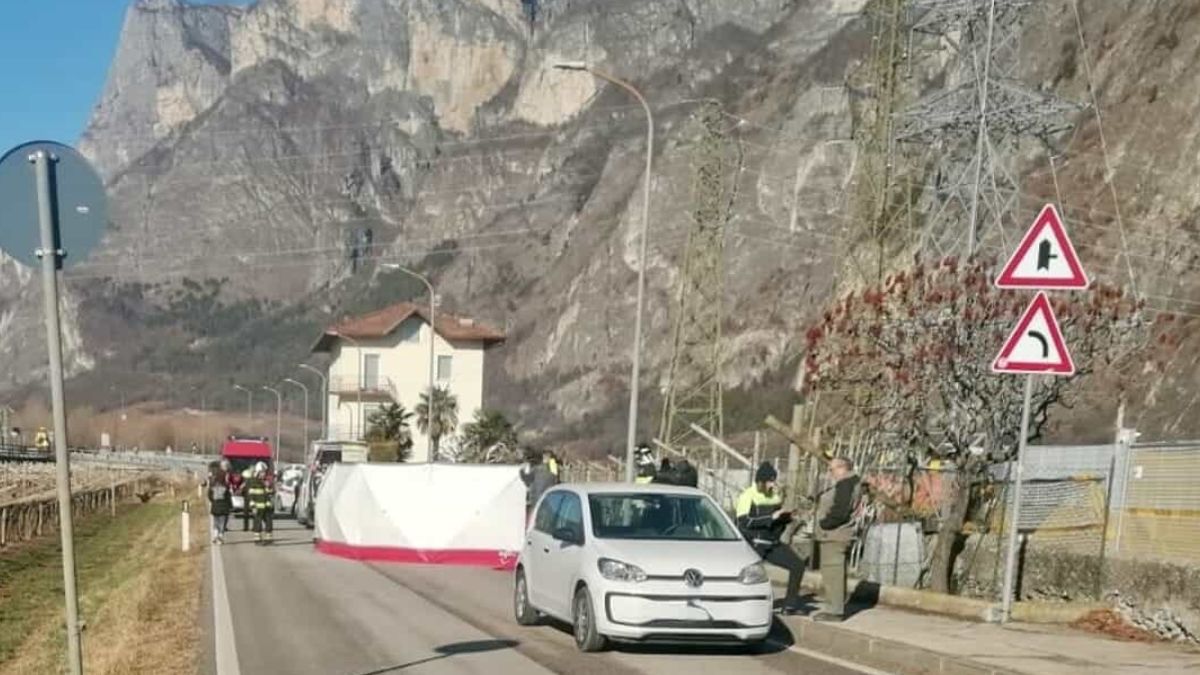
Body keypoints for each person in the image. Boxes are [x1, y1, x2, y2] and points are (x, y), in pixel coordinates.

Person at [736, 462, 805, 614]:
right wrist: (769, 517)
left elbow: (776, 521)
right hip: (755, 544)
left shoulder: (774, 496)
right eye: (770, 481)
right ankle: (742, 604)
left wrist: (788, 517)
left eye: (774, 481)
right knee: (746, 574)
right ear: (761, 481)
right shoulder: (747, 496)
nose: (773, 484)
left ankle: (790, 605)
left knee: (798, 566)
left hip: (772, 543)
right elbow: (743, 522)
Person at [813, 457, 863, 622]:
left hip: (834, 534)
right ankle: (835, 606)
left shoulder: (845, 484)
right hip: (838, 534)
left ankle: (834, 610)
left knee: (832, 572)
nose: (830, 473)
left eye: (832, 469)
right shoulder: (853, 483)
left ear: (843, 468)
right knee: (835, 572)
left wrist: (825, 524)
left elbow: (840, 511)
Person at [519, 447, 558, 522]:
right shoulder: (554, 470)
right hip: (549, 500)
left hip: (536, 499)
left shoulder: (537, 469)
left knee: (535, 520)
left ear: (543, 457)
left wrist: (521, 471)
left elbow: (527, 481)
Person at [246, 462, 275, 544]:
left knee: (269, 523)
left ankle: (268, 538)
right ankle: (257, 539)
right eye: (262, 472)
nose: (264, 474)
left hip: (267, 506)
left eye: (264, 472)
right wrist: (253, 506)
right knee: (257, 524)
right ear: (258, 472)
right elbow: (251, 495)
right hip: (257, 507)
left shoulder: (265, 482)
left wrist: (269, 487)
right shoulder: (253, 482)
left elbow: (270, 493)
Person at [206, 464, 233, 544]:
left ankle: (215, 536)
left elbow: (209, 496)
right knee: (222, 522)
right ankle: (220, 537)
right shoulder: (226, 488)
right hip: (224, 507)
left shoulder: (213, 487)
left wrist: (213, 501)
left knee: (215, 522)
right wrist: (230, 506)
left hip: (215, 506)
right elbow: (228, 498)